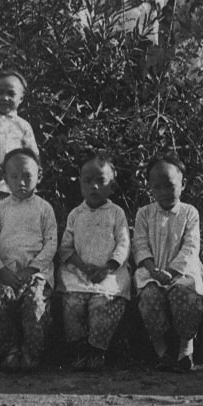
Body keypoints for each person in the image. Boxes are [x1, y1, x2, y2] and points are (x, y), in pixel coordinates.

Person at [132, 156, 203, 373]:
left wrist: (172, 271)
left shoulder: (189, 212)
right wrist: (153, 269)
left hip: (182, 271)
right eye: (157, 187)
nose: (164, 192)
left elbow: (191, 246)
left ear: (183, 184)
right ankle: (161, 350)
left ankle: (186, 348)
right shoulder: (144, 213)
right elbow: (140, 244)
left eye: (169, 185)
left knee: (185, 296)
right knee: (149, 298)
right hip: (152, 271)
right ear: (150, 188)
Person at [57, 154, 131, 372]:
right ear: (80, 184)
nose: (94, 186)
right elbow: (66, 247)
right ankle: (79, 350)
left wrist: (107, 268)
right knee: (73, 304)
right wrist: (82, 266)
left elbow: (123, 243)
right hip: (79, 273)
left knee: (102, 304)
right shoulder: (75, 214)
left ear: (112, 186)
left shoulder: (116, 213)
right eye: (88, 181)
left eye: (101, 181)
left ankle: (97, 350)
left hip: (109, 274)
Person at [0, 148, 57, 372]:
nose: (21, 182)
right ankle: (9, 352)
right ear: (5, 179)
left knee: (35, 303)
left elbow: (51, 243)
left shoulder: (44, 208)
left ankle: (31, 353)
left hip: (36, 274)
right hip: (6, 274)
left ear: (39, 176)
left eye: (27, 176)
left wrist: (32, 269)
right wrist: (1, 270)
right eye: (14, 176)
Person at [0, 69, 39, 197]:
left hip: (13, 188)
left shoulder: (23, 126)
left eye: (11, 94)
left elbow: (32, 156)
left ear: (21, 98)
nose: (5, 98)